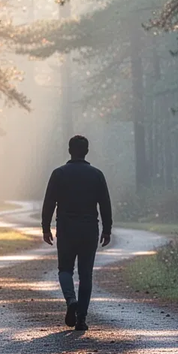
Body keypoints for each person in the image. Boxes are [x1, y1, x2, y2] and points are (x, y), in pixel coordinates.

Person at [42, 135, 113, 331]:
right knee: (85, 274)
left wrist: (45, 227)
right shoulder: (97, 175)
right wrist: (107, 229)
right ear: (87, 151)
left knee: (65, 269)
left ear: (69, 150)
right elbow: (105, 204)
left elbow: (49, 203)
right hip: (89, 230)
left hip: (66, 229)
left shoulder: (59, 174)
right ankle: (81, 318)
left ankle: (71, 300)